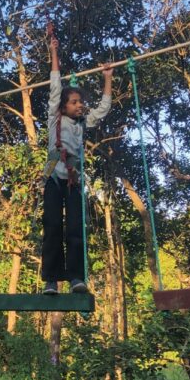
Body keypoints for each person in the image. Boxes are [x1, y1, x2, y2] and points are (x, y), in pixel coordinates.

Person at [41, 35, 113, 295]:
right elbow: (55, 84)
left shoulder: (83, 123)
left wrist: (107, 78)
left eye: (81, 102)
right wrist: (54, 52)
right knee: (51, 227)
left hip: (73, 180)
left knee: (74, 228)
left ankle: (75, 278)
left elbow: (103, 109)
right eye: (75, 102)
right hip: (52, 178)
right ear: (62, 107)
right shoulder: (54, 118)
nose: (80, 105)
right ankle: (51, 279)